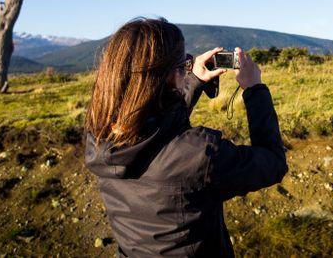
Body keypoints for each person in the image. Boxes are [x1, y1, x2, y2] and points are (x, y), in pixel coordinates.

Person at [84, 17, 287, 257]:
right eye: (183, 65)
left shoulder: (99, 135)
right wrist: (255, 89)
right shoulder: (198, 154)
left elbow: (156, 127)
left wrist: (193, 80)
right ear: (169, 77)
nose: (188, 68)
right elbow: (273, 163)